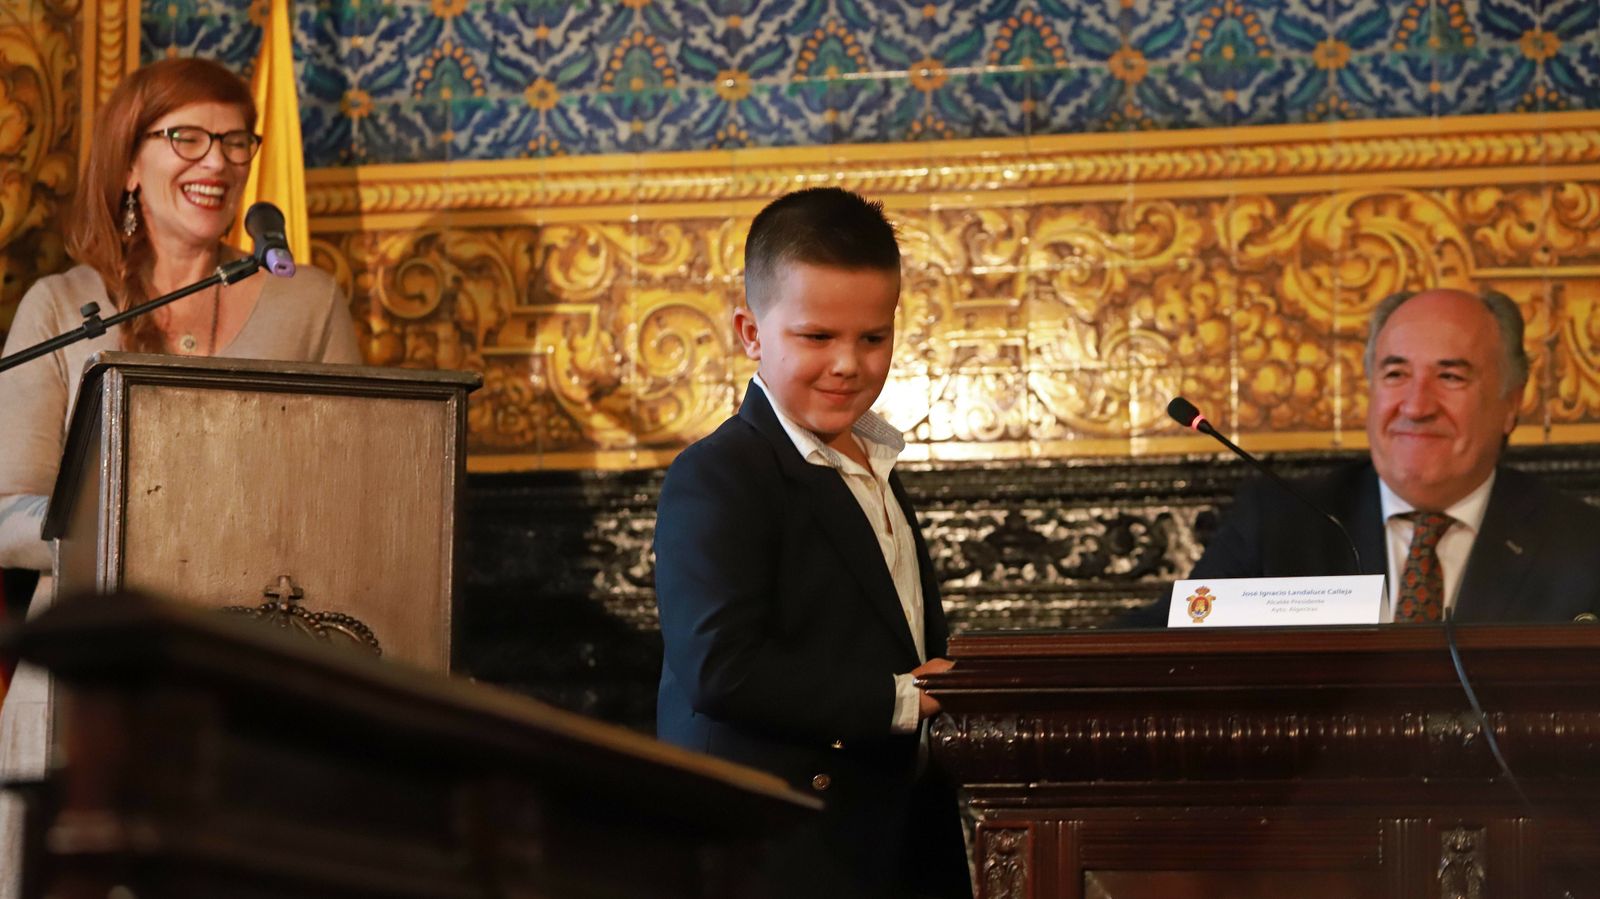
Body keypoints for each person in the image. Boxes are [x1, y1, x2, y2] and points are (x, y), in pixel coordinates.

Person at [0, 57, 362, 896]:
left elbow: (349, 493)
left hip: (249, 683)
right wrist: (128, 528)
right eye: (188, 138)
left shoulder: (306, 303)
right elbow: (6, 513)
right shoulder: (63, 307)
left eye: (236, 142)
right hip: (85, 689)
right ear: (130, 162)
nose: (219, 162)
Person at [653, 187, 971, 898]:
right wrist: (903, 698)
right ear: (751, 332)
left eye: (872, 338)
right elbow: (720, 669)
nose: (848, 363)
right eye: (817, 337)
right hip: (771, 849)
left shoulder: (873, 458)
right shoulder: (719, 472)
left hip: (882, 834)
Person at [1156, 287, 1600, 623]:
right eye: (1395, 374)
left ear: (1512, 403)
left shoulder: (1583, 545)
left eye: (1450, 377)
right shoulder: (1278, 526)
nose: (1417, 407)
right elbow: (1154, 647)